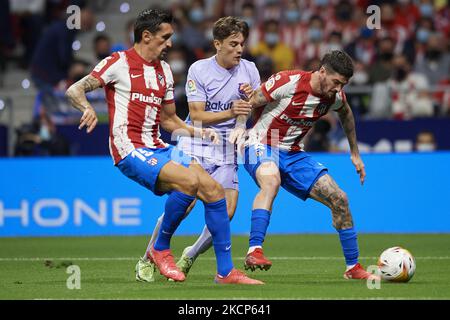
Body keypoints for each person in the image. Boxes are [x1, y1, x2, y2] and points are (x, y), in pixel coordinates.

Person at [65, 9, 262, 285]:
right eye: (165, 37)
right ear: (147, 36)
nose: (170, 43)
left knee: (214, 191)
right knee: (189, 182)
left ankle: (225, 272)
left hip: (158, 145)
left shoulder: (165, 71)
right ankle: (159, 249)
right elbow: (75, 90)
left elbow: (169, 121)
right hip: (130, 148)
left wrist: (199, 132)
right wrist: (85, 107)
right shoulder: (118, 62)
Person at [230, 50, 379, 280]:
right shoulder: (287, 82)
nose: (339, 89)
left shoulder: (335, 97)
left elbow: (346, 115)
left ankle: (353, 268)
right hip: (259, 143)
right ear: (322, 72)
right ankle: (254, 250)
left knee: (340, 199)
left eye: (344, 85)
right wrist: (240, 127)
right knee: (271, 180)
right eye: (336, 82)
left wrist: (355, 153)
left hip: (294, 154)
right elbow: (251, 102)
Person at [135, 16, 261, 282]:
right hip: (195, 143)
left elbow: (248, 107)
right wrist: (232, 111)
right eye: (233, 43)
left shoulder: (249, 69)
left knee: (226, 210)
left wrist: (240, 123)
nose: (240, 49)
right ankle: (148, 258)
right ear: (217, 44)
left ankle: (190, 255)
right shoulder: (199, 70)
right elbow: (196, 114)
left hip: (226, 149)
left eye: (242, 44)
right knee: (184, 205)